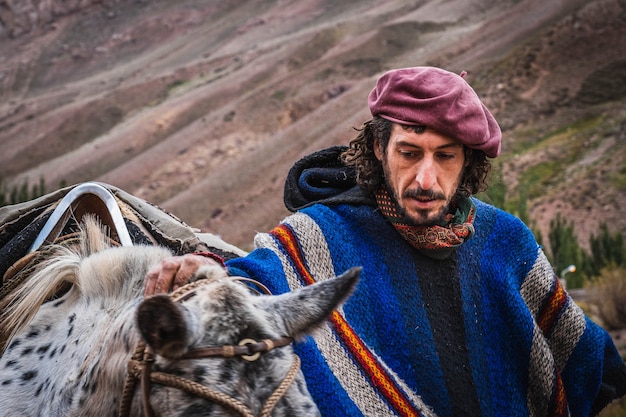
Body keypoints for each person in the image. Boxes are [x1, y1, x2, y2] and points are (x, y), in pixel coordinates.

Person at [144, 67, 626, 416]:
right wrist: (201, 269)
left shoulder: (505, 241)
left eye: (446, 157)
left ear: (469, 162)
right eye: (409, 153)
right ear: (379, 147)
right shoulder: (321, 234)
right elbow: (253, 285)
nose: (426, 178)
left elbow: (584, 358)